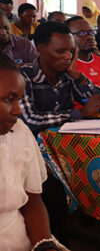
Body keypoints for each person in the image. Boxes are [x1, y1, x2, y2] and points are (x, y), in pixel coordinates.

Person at [0, 53, 67, 251]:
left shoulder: (19, 131)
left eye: (19, 100)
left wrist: (44, 244)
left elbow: (32, 199)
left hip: (21, 239)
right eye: (9, 99)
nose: (18, 110)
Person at [19, 22, 100, 134]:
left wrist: (79, 77)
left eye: (71, 51)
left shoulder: (68, 74)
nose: (68, 57)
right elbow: (30, 120)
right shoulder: (23, 76)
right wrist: (80, 113)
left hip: (65, 144)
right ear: (40, 49)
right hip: (34, 147)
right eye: (60, 51)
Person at [67, 17, 100, 106]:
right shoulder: (68, 67)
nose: (89, 37)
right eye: (82, 33)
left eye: (91, 32)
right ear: (68, 37)